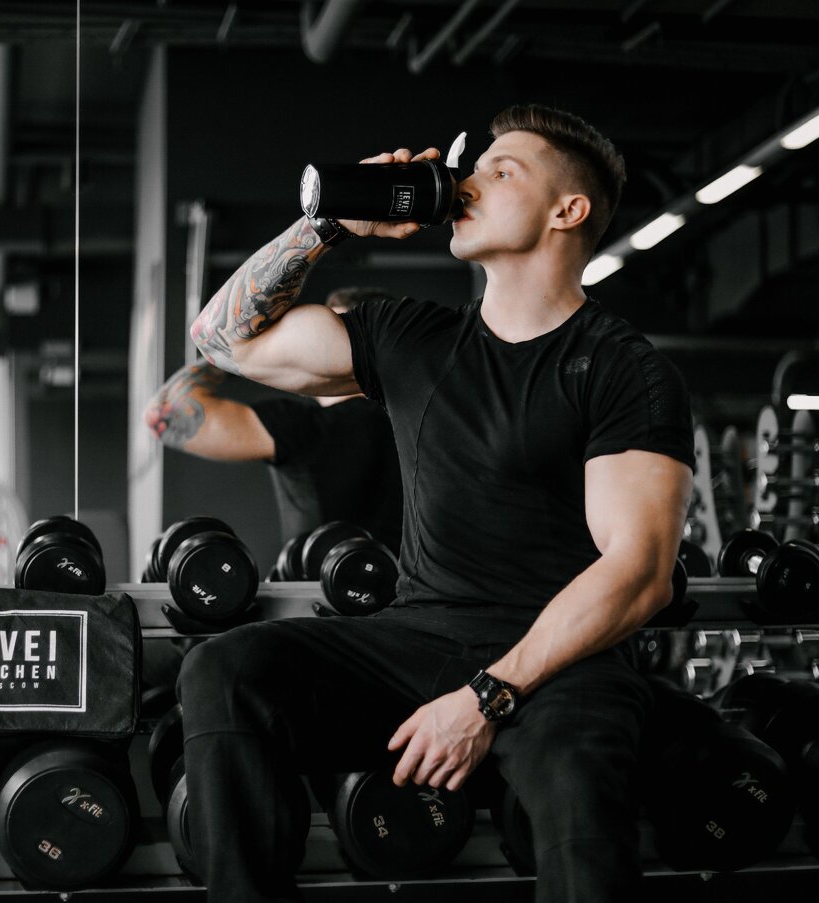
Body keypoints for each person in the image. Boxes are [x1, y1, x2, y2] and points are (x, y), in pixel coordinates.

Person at [179, 104, 695, 902]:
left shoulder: (623, 369)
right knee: (225, 669)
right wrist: (328, 226)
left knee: (579, 785)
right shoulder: (409, 337)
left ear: (567, 210)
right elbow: (221, 339)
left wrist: (488, 696)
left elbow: (639, 571)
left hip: (560, 664)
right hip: (416, 639)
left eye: (501, 170)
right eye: (473, 167)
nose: (467, 183)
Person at [143, 287, 403, 554]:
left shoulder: (309, 428)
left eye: (330, 334)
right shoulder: (418, 420)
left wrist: (237, 351)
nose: (315, 345)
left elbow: (166, 413)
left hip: (324, 581)